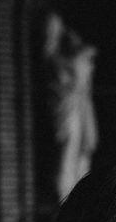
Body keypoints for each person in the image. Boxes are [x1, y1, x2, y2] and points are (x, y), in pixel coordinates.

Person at [42, 11, 99, 201]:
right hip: (68, 111)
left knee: (83, 153)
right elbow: (74, 71)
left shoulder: (74, 57)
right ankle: (65, 197)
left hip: (80, 110)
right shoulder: (57, 60)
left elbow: (87, 58)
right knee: (67, 153)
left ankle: (78, 195)